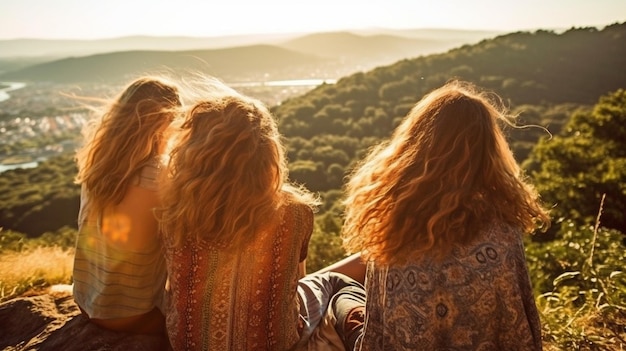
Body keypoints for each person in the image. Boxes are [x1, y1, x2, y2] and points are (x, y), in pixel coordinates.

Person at [340, 80, 551, 350]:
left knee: (340, 295)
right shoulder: (503, 228)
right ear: (487, 150)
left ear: (416, 146)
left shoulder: (395, 225)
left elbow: (378, 330)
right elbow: (518, 325)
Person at [157, 82, 365, 351]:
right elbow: (295, 283)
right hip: (275, 343)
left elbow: (172, 287)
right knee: (336, 283)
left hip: (188, 344)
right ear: (268, 153)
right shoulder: (295, 212)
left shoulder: (174, 211)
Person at [72, 76, 182, 334]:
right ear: (165, 121)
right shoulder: (159, 175)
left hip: (86, 300)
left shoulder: (99, 162)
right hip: (131, 313)